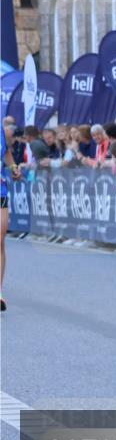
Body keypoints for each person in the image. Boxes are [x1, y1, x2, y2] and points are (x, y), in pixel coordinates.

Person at [1, 122, 21, 311]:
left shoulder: (0, 129)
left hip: (0, 191)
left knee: (0, 240)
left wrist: (13, 166)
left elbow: (5, 152)